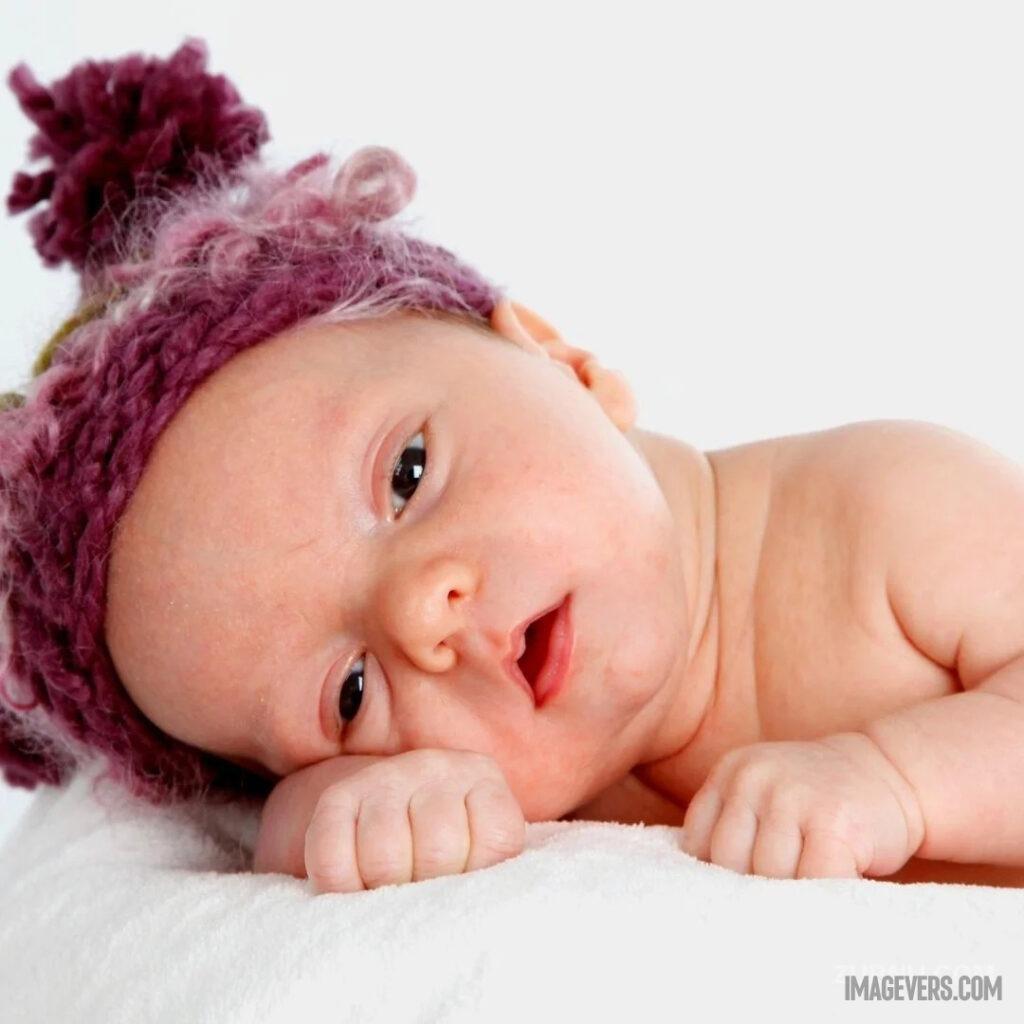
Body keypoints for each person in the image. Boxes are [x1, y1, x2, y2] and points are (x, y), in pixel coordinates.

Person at [4, 39, 1024, 896]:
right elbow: (276, 824)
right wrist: (339, 811)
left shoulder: (890, 512)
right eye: (350, 693)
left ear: (559, 359)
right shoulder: (518, 787)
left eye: (406, 475)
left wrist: (893, 781)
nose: (420, 616)